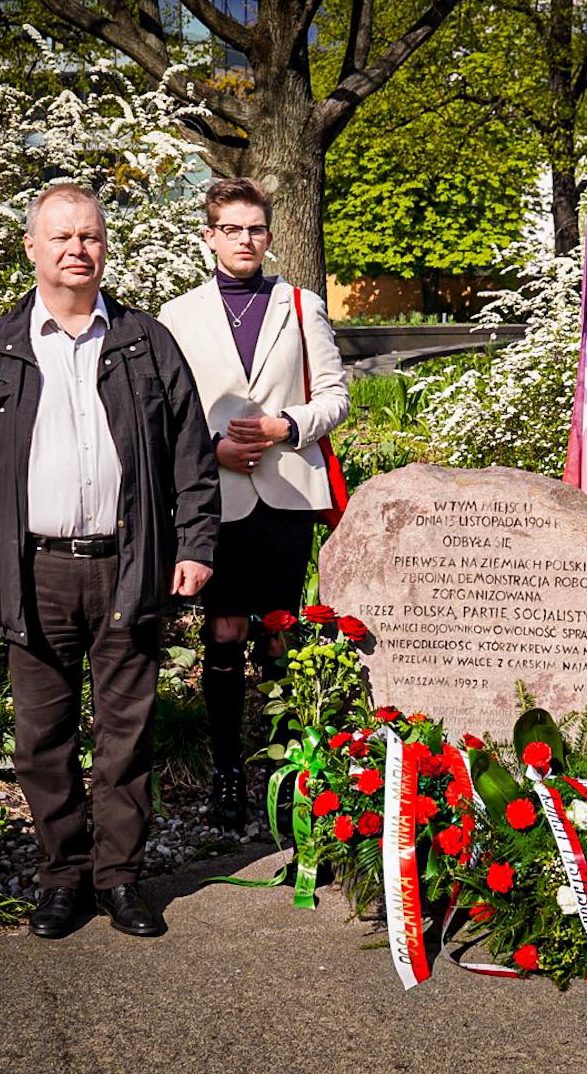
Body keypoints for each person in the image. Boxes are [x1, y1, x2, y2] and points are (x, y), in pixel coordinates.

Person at [0, 183, 220, 941]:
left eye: (92, 236)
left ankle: (121, 879)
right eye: (63, 237)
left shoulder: (144, 341)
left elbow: (190, 456)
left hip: (128, 564)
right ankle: (63, 877)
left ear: (105, 247)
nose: (79, 249)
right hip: (32, 571)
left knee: (125, 734)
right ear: (32, 248)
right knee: (42, 739)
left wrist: (197, 544)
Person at [157, 178, 348, 830]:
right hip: (217, 497)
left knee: (278, 631)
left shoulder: (301, 305)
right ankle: (227, 772)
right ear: (209, 236)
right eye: (231, 229)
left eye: (255, 229)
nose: (245, 240)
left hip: (288, 491)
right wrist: (210, 452)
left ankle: (290, 772)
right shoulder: (178, 317)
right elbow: (166, 413)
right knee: (223, 630)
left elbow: (336, 396)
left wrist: (283, 427)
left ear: (268, 235)